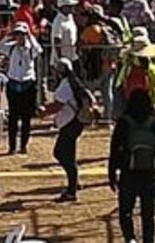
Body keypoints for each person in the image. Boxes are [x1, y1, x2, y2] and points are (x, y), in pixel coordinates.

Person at [108, 89, 155, 243]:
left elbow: (114, 151)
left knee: (126, 211)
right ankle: (148, 240)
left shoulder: (124, 123)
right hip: (150, 174)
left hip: (128, 174)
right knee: (148, 214)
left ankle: (130, 238)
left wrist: (112, 174)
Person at [40, 57, 91, 203]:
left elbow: (57, 105)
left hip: (71, 123)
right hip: (74, 123)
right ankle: (73, 183)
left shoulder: (66, 85)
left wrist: (44, 112)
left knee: (61, 153)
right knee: (69, 154)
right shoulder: (72, 83)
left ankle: (71, 190)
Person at [0, 22, 41, 155]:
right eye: (18, 34)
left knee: (26, 118)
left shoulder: (30, 48)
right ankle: (12, 146)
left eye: (22, 34)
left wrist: (30, 36)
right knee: (13, 118)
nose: (20, 37)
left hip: (28, 83)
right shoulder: (11, 48)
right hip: (13, 83)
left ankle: (23, 145)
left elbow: (38, 50)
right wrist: (8, 35)